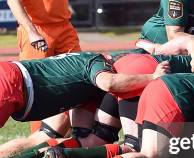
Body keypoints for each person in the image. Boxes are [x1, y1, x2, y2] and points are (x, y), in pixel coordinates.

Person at [0, 50, 169, 130]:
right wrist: (152, 77)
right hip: (14, 82)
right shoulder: (97, 61)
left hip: (17, 84)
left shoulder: (88, 90)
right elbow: (109, 82)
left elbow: (82, 135)